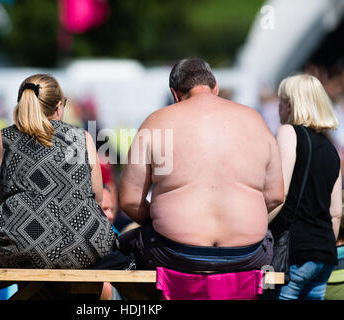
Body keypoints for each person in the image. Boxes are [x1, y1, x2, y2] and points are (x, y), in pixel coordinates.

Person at [118, 57, 284, 274]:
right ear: (215, 88)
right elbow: (275, 196)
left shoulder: (155, 122)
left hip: (176, 253)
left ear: (175, 94)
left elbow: (130, 200)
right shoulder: (255, 120)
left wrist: (164, 219)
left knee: (123, 247)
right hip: (246, 254)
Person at [0, 74, 117, 299]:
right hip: (84, 245)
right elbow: (97, 197)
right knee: (93, 273)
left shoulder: (3, 138)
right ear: (59, 106)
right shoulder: (82, 138)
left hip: (20, 246)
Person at [268, 74, 342, 300]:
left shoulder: (289, 132)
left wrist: (258, 227)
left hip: (295, 252)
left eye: (280, 101)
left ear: (289, 105)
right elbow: (336, 212)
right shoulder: (331, 148)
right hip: (324, 255)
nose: (278, 107)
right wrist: (322, 245)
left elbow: (280, 193)